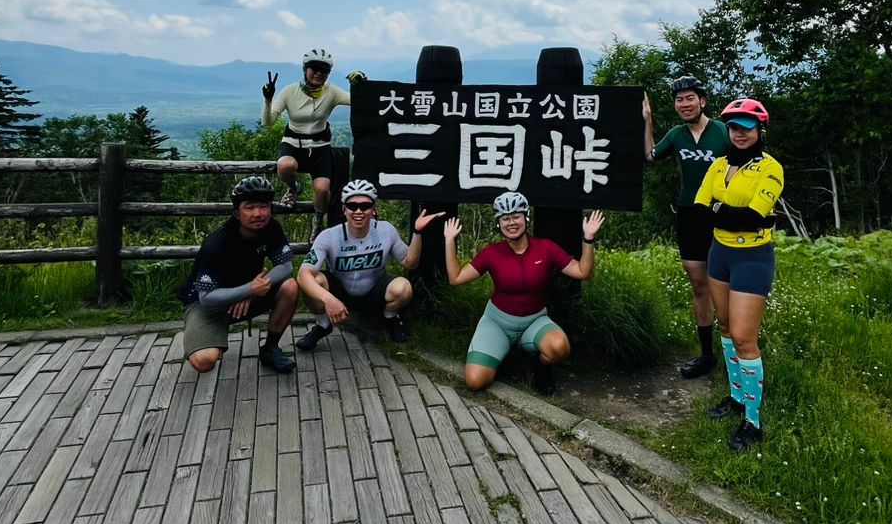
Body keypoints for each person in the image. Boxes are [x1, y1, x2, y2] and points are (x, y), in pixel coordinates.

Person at [444, 191, 605, 395]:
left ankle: (539, 367)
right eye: (505, 218)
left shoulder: (545, 248)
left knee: (560, 348)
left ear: (526, 217)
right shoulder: (491, 253)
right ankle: (505, 355)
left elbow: (583, 272)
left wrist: (588, 240)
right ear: (499, 223)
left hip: (534, 320)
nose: (511, 222)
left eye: (516, 216)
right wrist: (450, 240)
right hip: (497, 323)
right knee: (475, 382)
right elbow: (456, 278)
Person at [693, 98, 783, 452]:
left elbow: (750, 219)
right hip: (720, 254)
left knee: (745, 338)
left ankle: (753, 419)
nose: (739, 133)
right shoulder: (717, 165)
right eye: (733, 127)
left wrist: (726, 212)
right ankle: (735, 397)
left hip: (752, 257)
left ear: (760, 130)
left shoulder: (770, 168)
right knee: (727, 329)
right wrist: (730, 213)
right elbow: (700, 212)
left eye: (747, 127)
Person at [644, 75, 731, 378]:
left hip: (720, 214)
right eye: (679, 99)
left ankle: (735, 351)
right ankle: (706, 355)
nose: (685, 104)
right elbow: (651, 156)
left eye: (690, 98)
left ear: (702, 101)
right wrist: (648, 119)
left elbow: (745, 162)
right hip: (689, 213)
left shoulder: (722, 132)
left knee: (724, 284)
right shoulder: (677, 135)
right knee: (699, 285)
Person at [294, 179, 438, 348]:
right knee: (313, 280)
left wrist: (417, 231)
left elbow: (410, 263)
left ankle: (390, 317)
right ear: (344, 209)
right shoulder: (329, 236)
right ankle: (322, 325)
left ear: (374, 208)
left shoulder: (386, 230)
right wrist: (328, 299)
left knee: (403, 288)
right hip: (340, 290)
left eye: (365, 206)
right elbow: (303, 275)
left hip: (374, 290)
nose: (359, 211)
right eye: (352, 206)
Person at [181, 175, 300, 375]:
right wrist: (248, 290)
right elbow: (206, 297)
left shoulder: (272, 229)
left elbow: (286, 267)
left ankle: (270, 348)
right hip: (205, 305)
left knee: (290, 287)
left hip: (250, 294)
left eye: (264, 206)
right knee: (204, 362)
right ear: (236, 213)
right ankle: (209, 337)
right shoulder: (217, 244)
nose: (258, 213)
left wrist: (253, 291)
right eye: (250, 207)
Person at [260, 48, 363, 225]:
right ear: (305, 69)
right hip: (293, 143)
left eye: (324, 70)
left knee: (322, 190)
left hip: (320, 147)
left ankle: (318, 219)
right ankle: (293, 188)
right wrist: (268, 100)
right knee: (285, 165)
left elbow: (357, 100)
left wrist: (361, 84)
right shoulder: (290, 91)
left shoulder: (332, 92)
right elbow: (268, 122)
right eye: (314, 68)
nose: (318, 73)